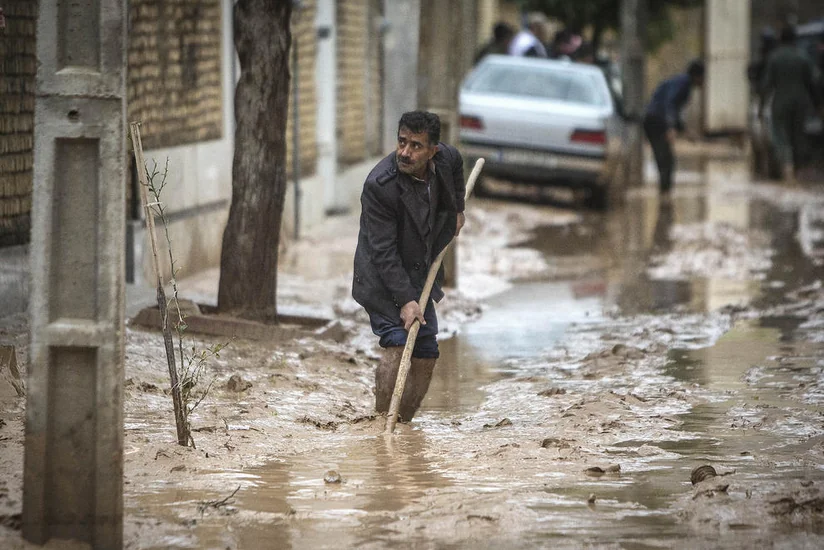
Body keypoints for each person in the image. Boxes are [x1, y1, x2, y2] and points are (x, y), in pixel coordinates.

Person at [352, 111, 466, 422]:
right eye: (402, 142)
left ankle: (403, 424)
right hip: (380, 276)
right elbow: (383, 252)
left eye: (416, 146)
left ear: (433, 151)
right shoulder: (380, 185)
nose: (405, 152)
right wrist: (405, 301)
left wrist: (458, 208)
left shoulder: (445, 159)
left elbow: (457, 165)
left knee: (426, 353)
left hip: (419, 273)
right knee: (397, 344)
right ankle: (381, 423)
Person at [761, 26, 821, 182]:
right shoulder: (803, 57)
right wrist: (817, 105)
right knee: (798, 136)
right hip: (801, 102)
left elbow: (767, 84)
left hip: (781, 101)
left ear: (781, 39)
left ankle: (787, 170)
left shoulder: (774, 57)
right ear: (795, 39)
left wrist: (762, 105)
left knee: (781, 135)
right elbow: (814, 82)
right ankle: (799, 170)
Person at [643, 59, 705, 200]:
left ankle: (665, 193)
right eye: (703, 77)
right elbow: (669, 104)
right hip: (656, 121)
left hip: (656, 120)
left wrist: (684, 131)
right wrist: (670, 127)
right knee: (665, 158)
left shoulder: (682, 82)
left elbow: (674, 109)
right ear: (698, 76)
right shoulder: (683, 83)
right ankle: (664, 195)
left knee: (665, 159)